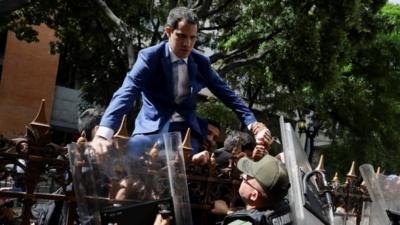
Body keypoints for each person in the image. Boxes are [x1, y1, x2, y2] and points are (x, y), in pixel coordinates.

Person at [91, 6, 272, 163]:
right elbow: (127, 91)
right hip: (150, 130)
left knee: (197, 172)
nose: (187, 44)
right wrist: (103, 134)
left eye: (193, 38)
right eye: (181, 36)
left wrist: (253, 124)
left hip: (186, 136)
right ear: (168, 31)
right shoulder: (149, 57)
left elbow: (228, 95)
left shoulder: (201, 63)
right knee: (129, 171)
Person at [221, 155, 292, 225]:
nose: (243, 175)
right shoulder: (284, 212)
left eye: (246, 177)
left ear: (253, 195)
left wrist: (227, 211)